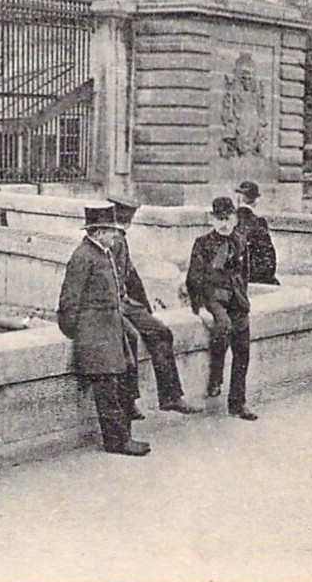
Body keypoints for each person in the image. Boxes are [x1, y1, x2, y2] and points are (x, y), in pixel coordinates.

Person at [57, 204, 150, 456]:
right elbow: (68, 301)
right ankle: (116, 441)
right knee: (107, 388)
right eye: (111, 232)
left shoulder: (103, 253)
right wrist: (80, 334)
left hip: (109, 330)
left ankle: (123, 437)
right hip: (95, 335)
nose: (115, 236)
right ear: (98, 232)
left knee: (117, 382)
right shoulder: (82, 256)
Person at [107, 196, 201, 419]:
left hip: (123, 305)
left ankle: (141, 401)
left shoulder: (117, 239)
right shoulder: (117, 241)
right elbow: (126, 279)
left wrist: (145, 310)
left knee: (153, 334)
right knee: (157, 334)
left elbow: (132, 278)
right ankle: (167, 397)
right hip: (117, 306)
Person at [187, 197, 259, 421]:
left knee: (243, 347)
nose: (224, 225)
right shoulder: (202, 243)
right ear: (212, 220)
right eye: (219, 220)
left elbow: (245, 274)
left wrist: (242, 298)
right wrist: (199, 307)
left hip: (236, 298)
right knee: (223, 326)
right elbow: (194, 278)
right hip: (213, 297)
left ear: (236, 219)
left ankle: (238, 403)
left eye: (228, 219)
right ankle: (216, 375)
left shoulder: (240, 242)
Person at [233, 180, 280, 285]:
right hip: (254, 277)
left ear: (238, 198)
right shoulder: (259, 223)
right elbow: (269, 258)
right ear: (256, 201)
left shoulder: (229, 222)